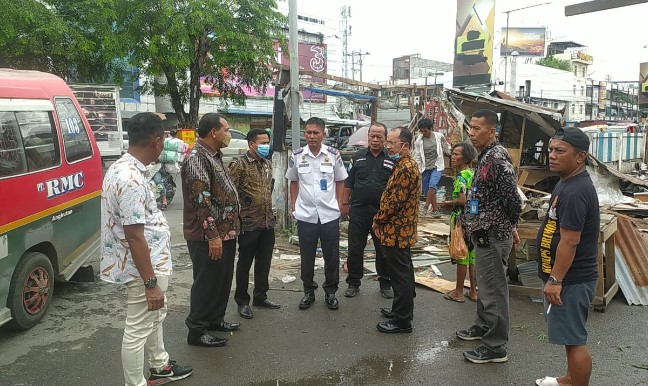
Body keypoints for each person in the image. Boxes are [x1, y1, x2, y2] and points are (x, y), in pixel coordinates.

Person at [100, 112, 193, 386]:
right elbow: (134, 235)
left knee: (154, 317)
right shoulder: (129, 178)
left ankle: (160, 365)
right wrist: (150, 282)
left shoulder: (124, 169)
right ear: (156, 140)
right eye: (164, 138)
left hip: (149, 262)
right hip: (142, 266)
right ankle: (135, 383)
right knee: (137, 328)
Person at [534, 127, 599, 386]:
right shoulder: (566, 181)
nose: (552, 155)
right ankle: (570, 379)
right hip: (566, 278)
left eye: (560, 151)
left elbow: (570, 241)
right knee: (568, 336)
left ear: (580, 156)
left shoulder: (575, 190)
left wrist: (555, 280)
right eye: (551, 149)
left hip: (570, 279)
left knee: (574, 341)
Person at [456, 109, 522, 364]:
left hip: (493, 235)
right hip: (483, 233)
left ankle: (496, 346)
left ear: (492, 131)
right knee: (486, 286)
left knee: (494, 289)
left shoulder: (496, 159)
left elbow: (513, 200)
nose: (471, 133)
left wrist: (509, 225)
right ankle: (482, 326)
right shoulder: (484, 156)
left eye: (477, 129)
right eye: (470, 128)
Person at [181, 113, 241, 347]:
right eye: (225, 130)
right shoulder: (197, 157)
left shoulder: (213, 155)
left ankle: (215, 319)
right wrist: (213, 235)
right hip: (207, 235)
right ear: (213, 132)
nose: (228, 134)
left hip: (225, 232)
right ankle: (197, 329)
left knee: (222, 279)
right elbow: (200, 200)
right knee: (206, 282)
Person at [285, 116, 348, 310]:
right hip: (306, 215)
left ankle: (330, 292)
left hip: (329, 215)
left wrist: (338, 204)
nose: (311, 136)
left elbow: (340, 180)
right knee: (307, 256)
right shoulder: (297, 156)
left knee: (331, 255)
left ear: (323, 134)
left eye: (315, 133)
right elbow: (293, 181)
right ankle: (308, 291)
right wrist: (294, 206)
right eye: (308, 133)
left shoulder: (333, 154)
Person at [372, 126, 421, 334]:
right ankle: (400, 311)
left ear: (405, 145)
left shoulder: (406, 168)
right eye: (388, 142)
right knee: (403, 273)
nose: (388, 146)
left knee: (400, 276)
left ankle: (402, 321)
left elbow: (394, 203)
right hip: (398, 230)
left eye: (392, 143)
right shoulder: (402, 164)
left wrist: (378, 220)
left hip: (397, 231)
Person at [229, 128, 281, 319]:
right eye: (262, 142)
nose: (266, 146)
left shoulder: (267, 164)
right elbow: (230, 193)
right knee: (244, 264)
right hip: (248, 223)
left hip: (267, 222)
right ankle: (242, 301)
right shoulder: (239, 165)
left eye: (267, 141)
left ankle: (261, 296)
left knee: (264, 262)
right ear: (252, 144)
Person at [341, 122, 394, 299]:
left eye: (380, 136)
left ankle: (385, 282)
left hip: (382, 213)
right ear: (368, 136)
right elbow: (349, 182)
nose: (375, 139)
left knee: (383, 249)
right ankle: (353, 282)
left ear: (386, 139)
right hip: (358, 210)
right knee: (355, 248)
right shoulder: (357, 157)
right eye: (373, 135)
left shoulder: (392, 159)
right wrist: (344, 203)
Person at [439, 141, 478, 303]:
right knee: (472, 256)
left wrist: (447, 203)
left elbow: (461, 200)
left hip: (461, 219)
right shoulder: (474, 173)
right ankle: (474, 292)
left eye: (456, 155)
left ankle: (459, 292)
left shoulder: (461, 177)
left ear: (466, 158)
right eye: (452, 154)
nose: (453, 157)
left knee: (461, 254)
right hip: (474, 218)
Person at [412, 118, 450, 213]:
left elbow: (446, 147)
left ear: (430, 129)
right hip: (425, 168)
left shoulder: (439, 136)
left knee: (432, 185)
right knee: (428, 190)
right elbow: (417, 155)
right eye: (422, 131)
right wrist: (417, 168)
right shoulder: (419, 141)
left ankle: (426, 207)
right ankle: (435, 209)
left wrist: (451, 153)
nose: (424, 132)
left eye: (426, 130)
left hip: (437, 166)